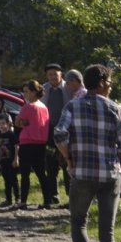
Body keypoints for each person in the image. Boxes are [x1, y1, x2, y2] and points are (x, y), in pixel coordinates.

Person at [54, 64, 121, 242]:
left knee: (78, 221)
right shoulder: (116, 109)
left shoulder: (72, 106)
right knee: (107, 230)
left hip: (82, 174)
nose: (111, 87)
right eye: (109, 83)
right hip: (110, 176)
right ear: (101, 83)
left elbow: (59, 134)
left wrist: (69, 159)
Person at [14, 79, 54, 210]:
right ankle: (47, 200)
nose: (24, 94)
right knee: (41, 173)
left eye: (26, 91)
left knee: (25, 174)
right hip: (41, 143)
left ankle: (23, 200)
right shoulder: (44, 107)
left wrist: (22, 123)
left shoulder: (28, 106)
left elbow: (17, 122)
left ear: (33, 92)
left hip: (27, 142)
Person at [41, 63, 67, 208]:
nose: (52, 77)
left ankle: (71, 197)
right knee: (51, 164)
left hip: (65, 130)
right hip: (49, 131)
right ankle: (53, 196)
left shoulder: (68, 88)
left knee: (67, 162)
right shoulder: (44, 89)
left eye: (55, 74)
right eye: (50, 74)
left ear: (60, 74)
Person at [0, 112, 20, 206]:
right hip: (3, 161)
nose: (1, 125)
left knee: (13, 179)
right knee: (6, 181)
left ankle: (18, 198)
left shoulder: (11, 134)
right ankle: (8, 199)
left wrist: (16, 159)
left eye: (3, 123)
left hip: (11, 160)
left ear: (8, 123)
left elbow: (16, 146)